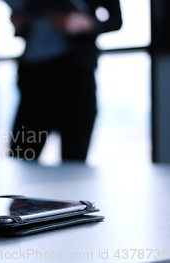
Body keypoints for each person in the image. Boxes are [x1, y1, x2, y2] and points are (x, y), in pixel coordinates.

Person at [8, 0, 122, 161]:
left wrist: (84, 23)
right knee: (19, 159)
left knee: (74, 163)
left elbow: (116, 20)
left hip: (74, 77)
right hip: (34, 77)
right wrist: (20, 21)